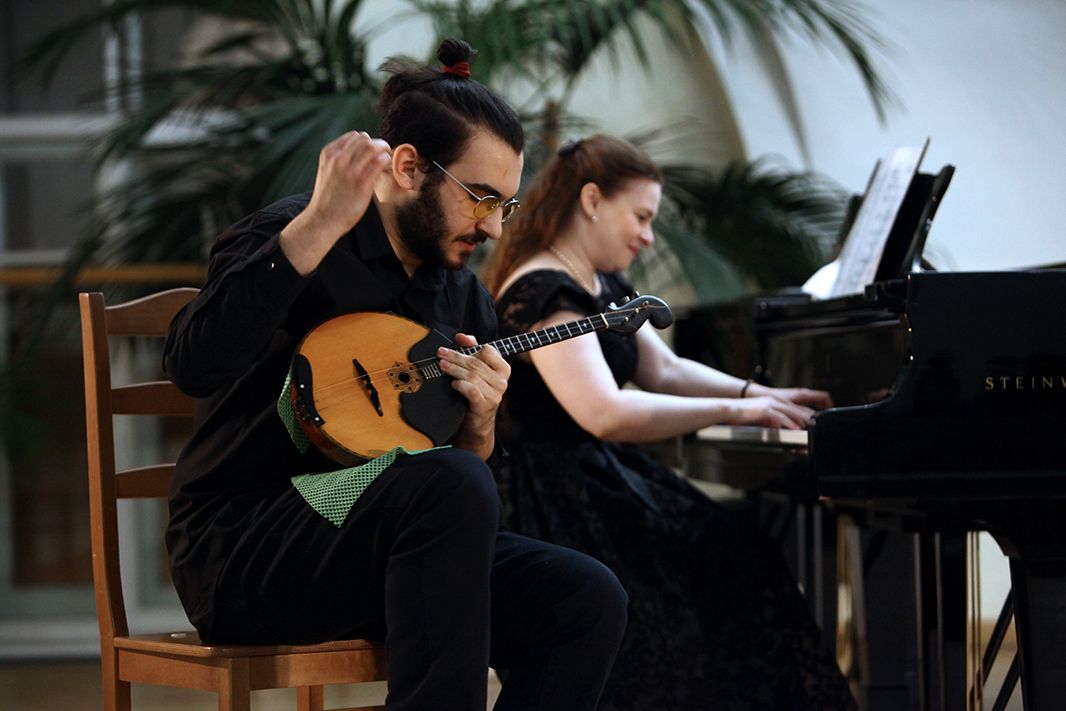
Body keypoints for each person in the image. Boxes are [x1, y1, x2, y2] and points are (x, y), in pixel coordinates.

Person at [163, 42, 628, 711]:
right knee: (449, 485)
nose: (495, 229)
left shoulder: (461, 296)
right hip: (247, 550)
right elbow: (191, 364)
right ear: (408, 167)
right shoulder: (295, 233)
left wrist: (480, 424)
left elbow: (459, 484)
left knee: (583, 599)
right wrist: (320, 223)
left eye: (506, 206)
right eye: (481, 199)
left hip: (389, 558)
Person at [481, 134, 857, 710]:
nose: (648, 235)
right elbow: (603, 412)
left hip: (594, 480)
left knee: (734, 554)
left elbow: (665, 369)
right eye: (641, 216)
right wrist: (739, 410)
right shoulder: (543, 289)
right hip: (554, 498)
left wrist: (761, 393)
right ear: (591, 200)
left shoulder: (598, 281)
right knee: (719, 566)